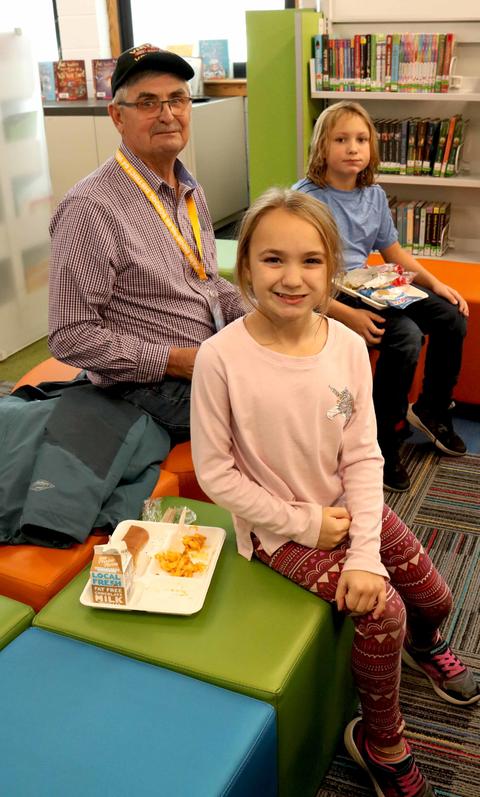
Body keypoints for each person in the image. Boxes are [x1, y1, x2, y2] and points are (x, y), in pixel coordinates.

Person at [190, 188, 479, 797]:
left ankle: (424, 648)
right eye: (273, 260)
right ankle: (381, 741)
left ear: (333, 271)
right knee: (384, 614)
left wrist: (365, 551)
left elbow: (364, 457)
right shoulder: (219, 359)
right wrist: (302, 523)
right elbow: (216, 474)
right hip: (274, 534)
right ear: (245, 267)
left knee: (434, 599)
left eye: (311, 261)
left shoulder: (348, 346)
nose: (292, 278)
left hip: (348, 512)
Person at [48, 43, 245, 446]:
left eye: (177, 99)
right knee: (287, 408)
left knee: (304, 371)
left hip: (205, 358)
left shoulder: (188, 188)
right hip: (145, 385)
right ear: (117, 116)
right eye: (148, 103)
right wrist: (176, 362)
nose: (168, 114)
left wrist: (267, 318)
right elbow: (69, 334)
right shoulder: (92, 208)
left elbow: (207, 282)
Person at [293, 101, 469, 493]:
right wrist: (343, 314)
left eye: (361, 140)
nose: (352, 148)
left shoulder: (372, 194)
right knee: (405, 337)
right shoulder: (306, 200)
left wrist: (434, 282)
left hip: (371, 284)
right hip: (331, 290)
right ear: (322, 146)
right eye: (341, 139)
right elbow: (298, 273)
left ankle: (432, 409)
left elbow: (393, 252)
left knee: (453, 317)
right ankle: (382, 442)